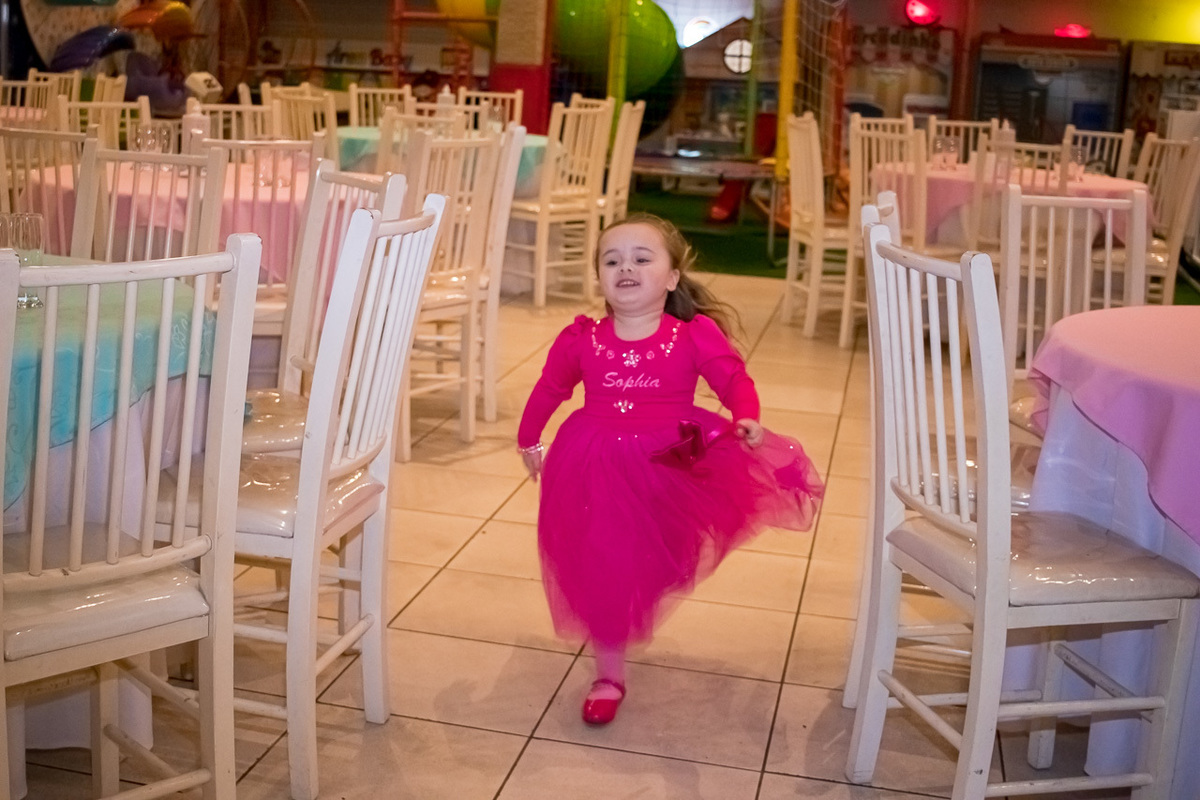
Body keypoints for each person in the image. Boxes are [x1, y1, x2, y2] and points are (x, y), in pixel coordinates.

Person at [517, 213, 824, 725]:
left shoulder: (692, 336)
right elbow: (551, 387)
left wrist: (745, 416)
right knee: (606, 562)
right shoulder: (582, 339)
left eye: (642, 258)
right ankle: (608, 673)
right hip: (593, 462)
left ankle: (638, 593)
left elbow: (733, 379)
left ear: (672, 277)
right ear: (599, 277)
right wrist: (528, 436)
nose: (626, 268)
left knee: (661, 557)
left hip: (670, 463)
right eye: (611, 260)